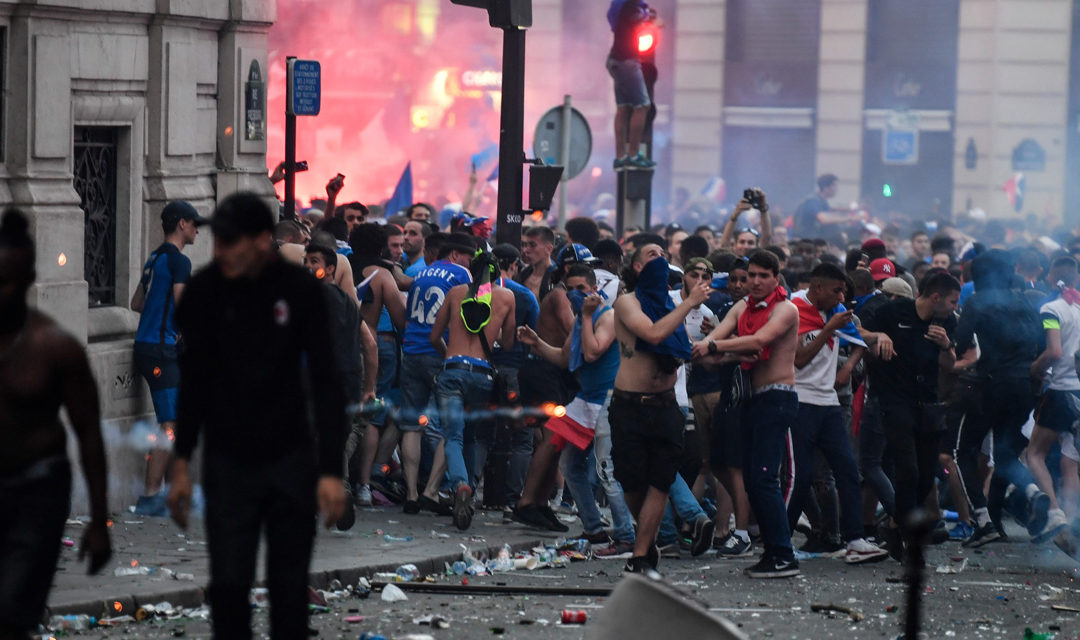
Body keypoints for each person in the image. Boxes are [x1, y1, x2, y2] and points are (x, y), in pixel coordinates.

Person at [167, 193, 346, 640]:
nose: (222, 251)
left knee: (289, 591)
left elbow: (327, 383)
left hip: (291, 454)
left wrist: (330, 471)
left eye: (233, 242)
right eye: (219, 240)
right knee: (228, 585)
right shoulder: (205, 293)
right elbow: (195, 385)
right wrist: (182, 460)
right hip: (229, 458)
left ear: (263, 241)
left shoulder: (301, 291)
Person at [0, 209, 112, 639]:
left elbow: (88, 433)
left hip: (37, 490)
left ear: (27, 278)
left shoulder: (55, 348)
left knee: (13, 612)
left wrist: (99, 521)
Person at [694, 251, 801, 578]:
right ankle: (774, 551)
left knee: (763, 478)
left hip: (777, 398)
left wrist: (714, 348)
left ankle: (783, 554)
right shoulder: (742, 308)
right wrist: (707, 347)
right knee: (753, 479)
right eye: (751, 275)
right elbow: (721, 335)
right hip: (750, 399)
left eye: (762, 276)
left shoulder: (786, 309)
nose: (754, 281)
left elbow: (760, 340)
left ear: (776, 277)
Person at [612, 243, 710, 575]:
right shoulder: (628, 302)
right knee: (632, 485)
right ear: (637, 267)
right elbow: (654, 334)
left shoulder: (669, 304)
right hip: (630, 407)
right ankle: (647, 540)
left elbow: (679, 345)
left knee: (660, 482)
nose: (660, 259)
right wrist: (690, 303)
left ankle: (640, 557)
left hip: (667, 408)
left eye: (663, 255)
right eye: (651, 255)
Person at [788, 264, 887, 564]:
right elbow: (801, 359)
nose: (842, 296)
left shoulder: (837, 310)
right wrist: (828, 330)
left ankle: (855, 539)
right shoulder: (793, 309)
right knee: (800, 476)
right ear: (817, 288)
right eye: (837, 290)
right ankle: (779, 542)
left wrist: (847, 366)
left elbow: (857, 340)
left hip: (829, 402)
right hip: (799, 400)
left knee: (846, 469)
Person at [518, 264, 622, 546]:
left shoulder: (607, 316)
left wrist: (586, 317)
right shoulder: (582, 320)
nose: (575, 295)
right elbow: (565, 358)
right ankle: (592, 527)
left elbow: (591, 352)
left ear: (594, 290)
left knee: (607, 469)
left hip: (604, 402)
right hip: (585, 401)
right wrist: (536, 343)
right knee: (568, 461)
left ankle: (624, 533)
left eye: (582, 289)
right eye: (571, 289)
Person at [954, 250, 1051, 546]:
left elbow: (960, 342)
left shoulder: (977, 302)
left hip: (991, 386)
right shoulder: (1026, 301)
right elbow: (1039, 343)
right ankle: (1033, 491)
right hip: (1024, 387)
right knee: (1007, 453)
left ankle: (983, 522)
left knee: (966, 451)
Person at [861, 270, 960, 555]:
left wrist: (946, 345)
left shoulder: (947, 322)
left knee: (927, 474)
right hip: (895, 400)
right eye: (953, 302)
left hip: (928, 403)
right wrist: (878, 335)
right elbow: (859, 332)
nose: (955, 308)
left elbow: (949, 365)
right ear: (936, 297)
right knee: (908, 470)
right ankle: (906, 535)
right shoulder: (894, 311)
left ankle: (893, 524)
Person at [429, 251, 516, 529]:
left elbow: (434, 337)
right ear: (497, 274)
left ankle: (460, 485)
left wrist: (450, 356)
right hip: (482, 376)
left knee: (452, 436)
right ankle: (471, 485)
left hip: (452, 371)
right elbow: (510, 343)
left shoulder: (455, 293)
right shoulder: (506, 297)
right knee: (474, 437)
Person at [130, 200, 204, 516]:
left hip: (148, 346)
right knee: (170, 425)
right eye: (194, 223)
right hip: (161, 351)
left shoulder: (154, 258)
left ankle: (166, 492)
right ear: (182, 224)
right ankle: (150, 496)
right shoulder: (179, 262)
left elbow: (136, 303)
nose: (198, 229)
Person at [398, 234, 476, 515]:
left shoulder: (421, 274)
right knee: (451, 428)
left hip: (412, 352)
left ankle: (410, 493)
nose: (471, 262)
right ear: (456, 254)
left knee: (411, 425)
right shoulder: (461, 274)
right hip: (440, 352)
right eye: (469, 256)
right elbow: (471, 313)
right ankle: (431, 492)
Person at [304, 242, 377, 531]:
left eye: (314, 261)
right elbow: (369, 345)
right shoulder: (349, 302)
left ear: (331, 268)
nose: (308, 266)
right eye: (305, 261)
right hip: (347, 381)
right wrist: (368, 387)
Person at [1027, 257, 1080, 538]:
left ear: (1050, 278)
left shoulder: (1051, 308)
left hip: (1060, 391)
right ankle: (1071, 525)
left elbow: (1055, 351)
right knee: (1070, 463)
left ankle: (1055, 512)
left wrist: (1035, 368)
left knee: (1034, 453)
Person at [607, 0, 657, 169]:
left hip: (615, 60)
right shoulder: (631, 7)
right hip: (627, 61)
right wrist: (649, 17)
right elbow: (640, 17)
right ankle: (634, 155)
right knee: (642, 105)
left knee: (623, 107)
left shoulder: (620, 7)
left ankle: (620, 156)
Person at [792, 173, 859, 243]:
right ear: (826, 188)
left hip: (812, 239)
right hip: (804, 241)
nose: (836, 189)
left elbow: (831, 210)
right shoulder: (813, 200)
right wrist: (849, 218)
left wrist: (850, 209)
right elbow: (824, 219)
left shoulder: (822, 201)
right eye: (834, 186)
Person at [518, 226, 556, 301]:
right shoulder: (523, 274)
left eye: (532, 245)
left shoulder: (556, 279)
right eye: (525, 245)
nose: (526, 250)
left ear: (548, 249)